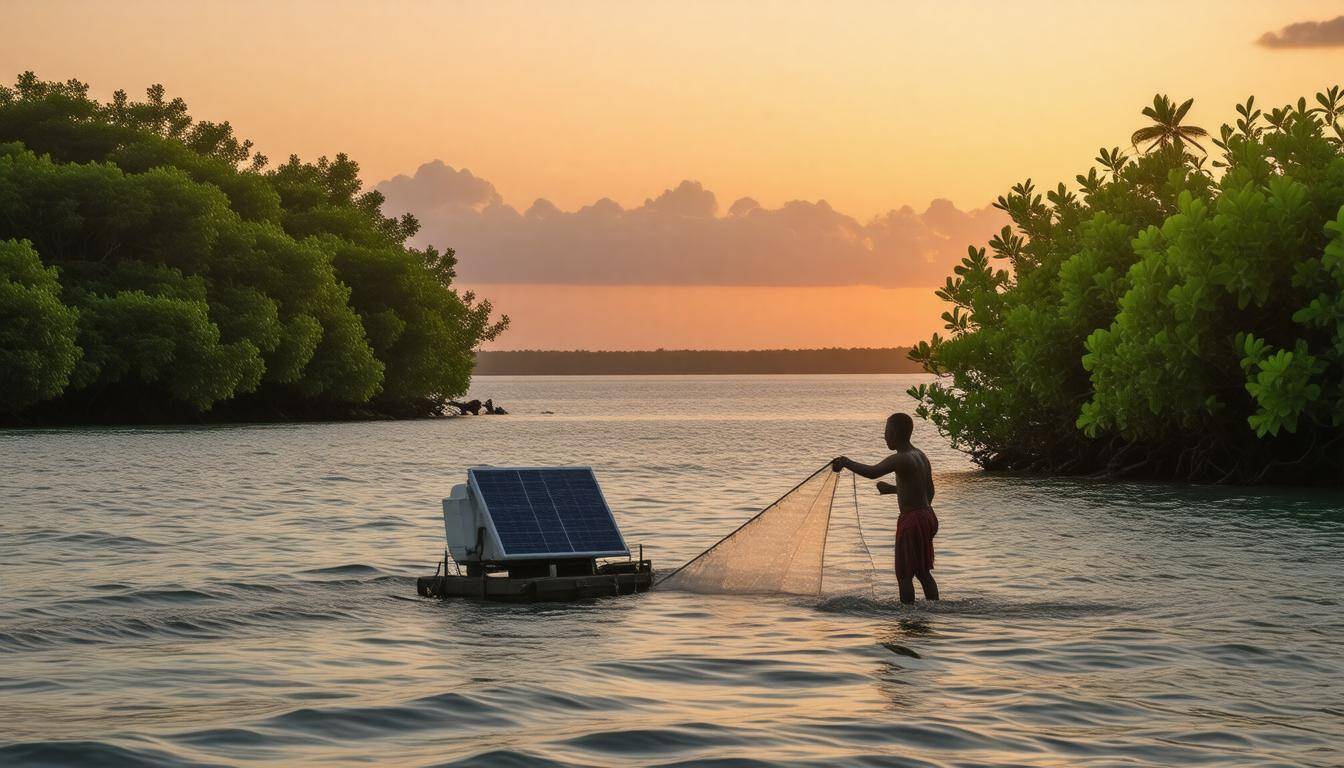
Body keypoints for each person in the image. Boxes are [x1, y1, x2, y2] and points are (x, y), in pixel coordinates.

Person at [832, 413, 939, 604]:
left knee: (904, 575)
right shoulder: (920, 455)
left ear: (894, 433)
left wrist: (846, 462)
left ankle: (907, 618)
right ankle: (935, 608)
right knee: (922, 572)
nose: (885, 436)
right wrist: (893, 490)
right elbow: (928, 491)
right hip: (928, 516)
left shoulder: (900, 458)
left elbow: (872, 472)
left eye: (886, 432)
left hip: (912, 521)